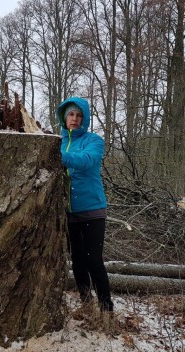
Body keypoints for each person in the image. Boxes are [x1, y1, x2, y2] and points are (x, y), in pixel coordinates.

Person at [57, 96, 114, 312]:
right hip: (69, 213)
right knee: (77, 261)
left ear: (85, 118)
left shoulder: (94, 141)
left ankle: (106, 309)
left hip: (92, 211)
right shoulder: (58, 141)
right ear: (64, 116)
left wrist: (58, 155)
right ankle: (86, 304)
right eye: (71, 114)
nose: (75, 119)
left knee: (94, 260)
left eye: (79, 115)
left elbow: (86, 161)